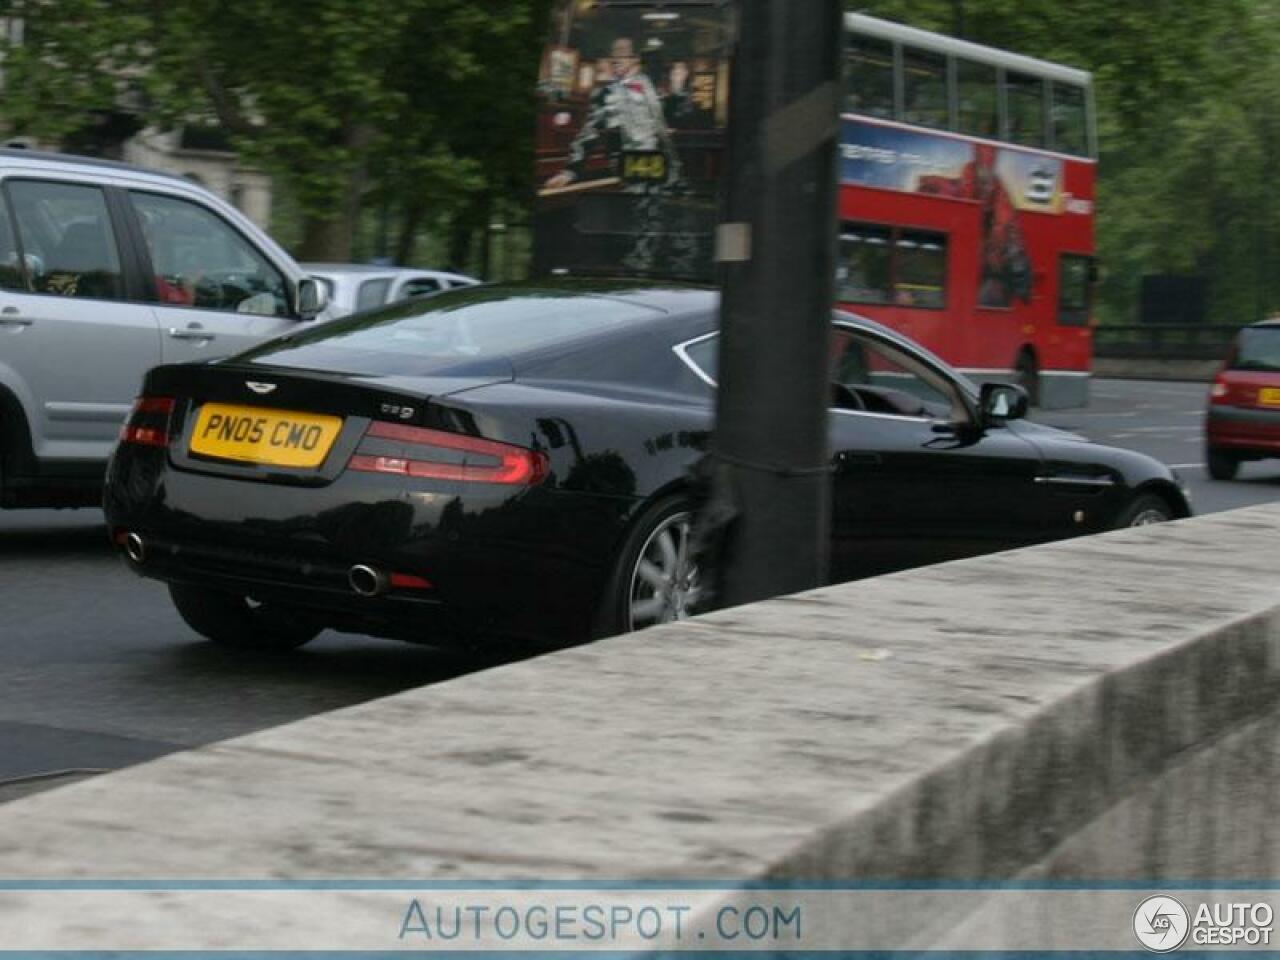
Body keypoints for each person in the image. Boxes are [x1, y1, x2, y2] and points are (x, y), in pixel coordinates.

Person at [543, 37, 682, 191]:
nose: (615, 60)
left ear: (635, 59)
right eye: (613, 56)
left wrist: (674, 169)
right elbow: (589, 134)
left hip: (662, 171)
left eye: (622, 54)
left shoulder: (650, 87)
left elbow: (662, 129)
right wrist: (570, 171)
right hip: (631, 172)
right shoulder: (606, 94)